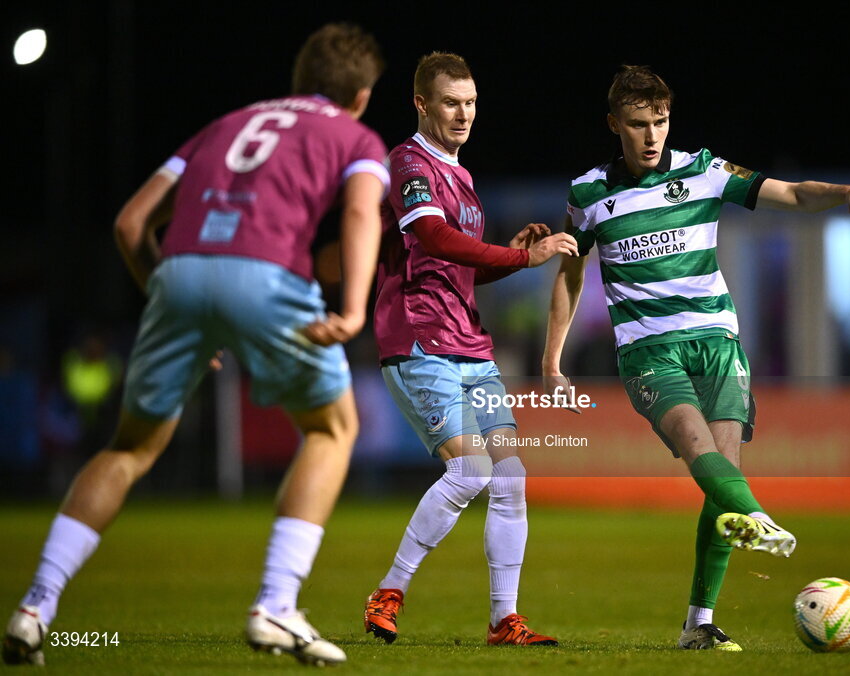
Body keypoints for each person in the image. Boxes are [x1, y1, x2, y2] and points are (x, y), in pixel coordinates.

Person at [3, 23, 389, 667]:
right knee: (331, 429)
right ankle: (276, 604)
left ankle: (35, 606)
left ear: (300, 81)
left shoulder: (225, 123)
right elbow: (358, 213)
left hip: (179, 270)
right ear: (361, 95)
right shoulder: (355, 135)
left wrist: (177, 302)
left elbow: (131, 223)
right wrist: (352, 309)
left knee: (128, 447)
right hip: (268, 271)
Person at [542, 65, 850, 651]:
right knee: (697, 447)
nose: (651, 136)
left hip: (718, 344)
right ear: (613, 125)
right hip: (648, 351)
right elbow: (570, 277)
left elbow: (791, 192)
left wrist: (843, 192)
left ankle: (698, 624)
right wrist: (553, 361)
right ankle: (761, 520)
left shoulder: (705, 170)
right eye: (637, 125)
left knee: (721, 486)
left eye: (660, 122)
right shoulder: (588, 194)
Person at [363, 52, 576, 647]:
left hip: (468, 343)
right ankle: (389, 591)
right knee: (471, 469)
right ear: (422, 104)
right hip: (419, 336)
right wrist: (521, 258)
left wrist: (508, 254)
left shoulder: (462, 175)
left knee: (509, 478)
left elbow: (456, 265)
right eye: (451, 102)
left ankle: (504, 620)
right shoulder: (408, 162)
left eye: (471, 103)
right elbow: (431, 236)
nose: (463, 114)